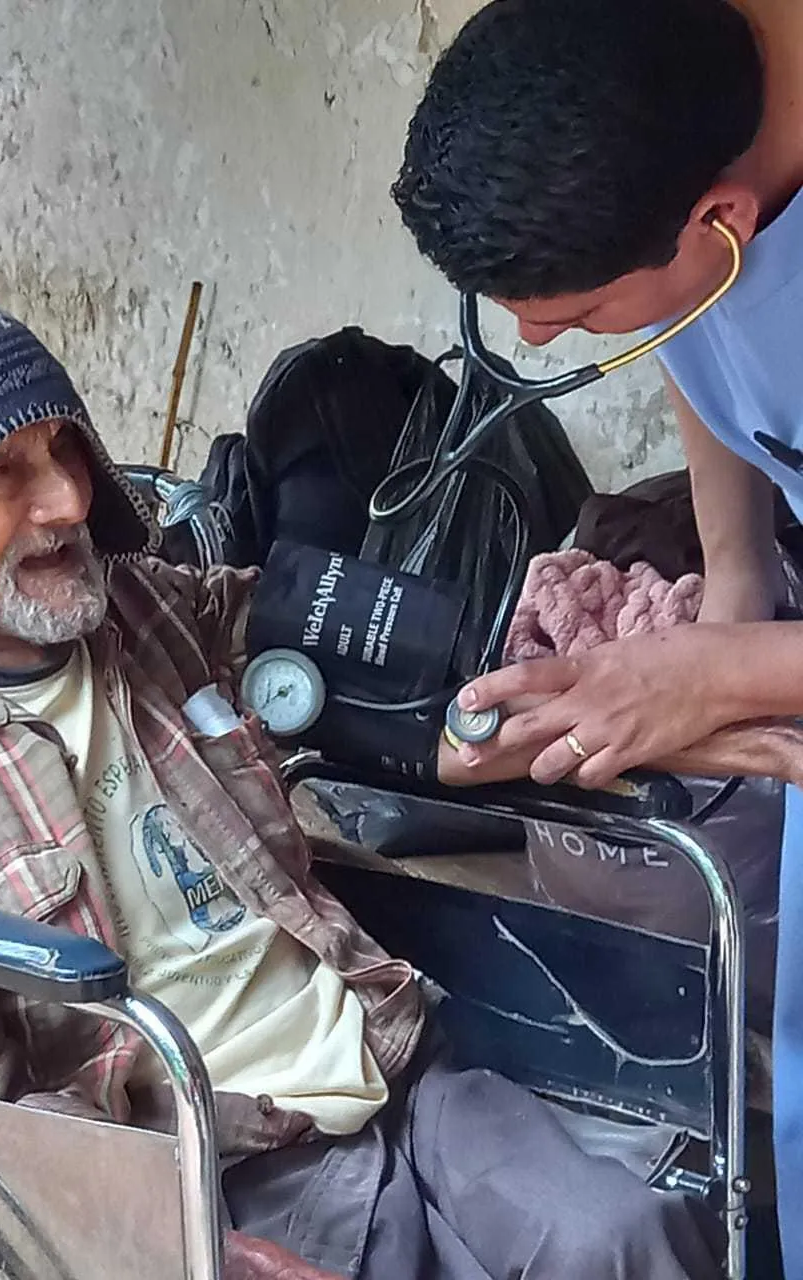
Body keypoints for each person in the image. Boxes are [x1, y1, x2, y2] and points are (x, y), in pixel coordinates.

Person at [0, 282, 722, 1279]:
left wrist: (569, 689)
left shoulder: (140, 608)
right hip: (208, 1158)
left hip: (384, 1053)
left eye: (60, 446)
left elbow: (330, 647)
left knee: (624, 1238)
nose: (68, 499)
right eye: (3, 470)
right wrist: (169, 1242)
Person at [391, 0, 803, 1269]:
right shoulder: (658, 85)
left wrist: (718, 670)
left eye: (575, 316)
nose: (531, 340)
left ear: (719, 222)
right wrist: (734, 586)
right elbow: (699, 324)